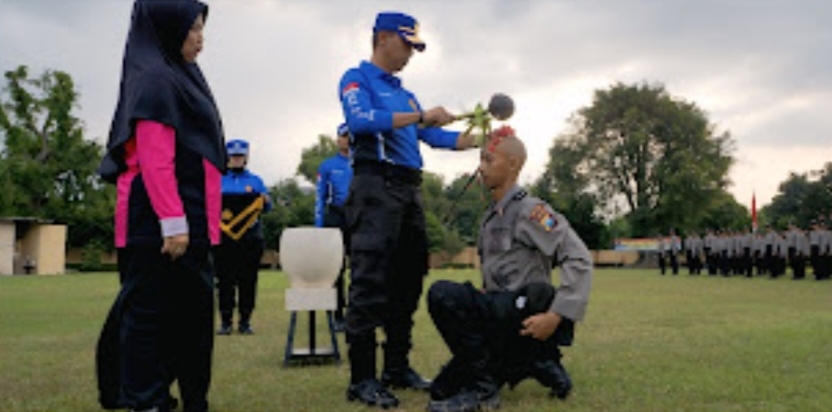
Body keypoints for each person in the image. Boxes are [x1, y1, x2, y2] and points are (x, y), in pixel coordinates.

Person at [337, 11, 482, 408]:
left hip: (409, 191)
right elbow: (360, 121)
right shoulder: (356, 78)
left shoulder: (406, 93)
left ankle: (396, 367)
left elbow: (435, 137)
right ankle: (362, 378)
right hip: (374, 186)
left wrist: (483, 138)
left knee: (407, 280)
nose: (410, 54)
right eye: (407, 44)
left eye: (416, 47)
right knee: (369, 282)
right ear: (383, 38)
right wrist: (421, 116)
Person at [95, 1, 224, 411]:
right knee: (149, 317)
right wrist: (173, 222)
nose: (200, 37)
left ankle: (192, 399)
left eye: (202, 27)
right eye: (192, 28)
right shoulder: (153, 78)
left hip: (190, 220)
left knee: (193, 319)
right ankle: (145, 401)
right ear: (169, 29)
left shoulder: (183, 75)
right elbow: (154, 156)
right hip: (158, 225)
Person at [426, 127, 593, 412]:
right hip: (499, 310)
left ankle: (483, 391)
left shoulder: (532, 211)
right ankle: (535, 360)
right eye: (480, 160)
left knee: (442, 294)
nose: (481, 168)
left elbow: (578, 257)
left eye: (489, 160)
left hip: (523, 309)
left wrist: (556, 315)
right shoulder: (490, 217)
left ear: (513, 165)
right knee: (442, 388)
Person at [215, 139, 272, 335]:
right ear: (227, 157)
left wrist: (264, 199)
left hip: (250, 239)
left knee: (248, 280)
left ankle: (245, 321)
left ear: (246, 157)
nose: (237, 160)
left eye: (240, 156)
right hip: (224, 240)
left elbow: (268, 207)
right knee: (224, 281)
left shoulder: (256, 181)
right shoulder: (217, 180)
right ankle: (225, 321)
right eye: (233, 156)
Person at [315, 123, 353, 331]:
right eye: (343, 136)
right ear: (338, 139)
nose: (347, 139)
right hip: (336, 216)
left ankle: (357, 313)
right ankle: (337, 315)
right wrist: (319, 227)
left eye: (350, 135)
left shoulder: (365, 163)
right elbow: (319, 198)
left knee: (361, 268)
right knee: (335, 270)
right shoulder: (328, 166)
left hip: (360, 217)